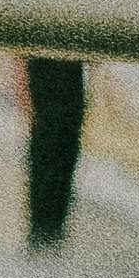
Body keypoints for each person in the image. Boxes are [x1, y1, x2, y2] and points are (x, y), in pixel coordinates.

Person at [21, 51, 88, 253]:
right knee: (48, 150)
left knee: (62, 150)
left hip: (66, 68)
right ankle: (44, 230)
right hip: (47, 65)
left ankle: (50, 229)